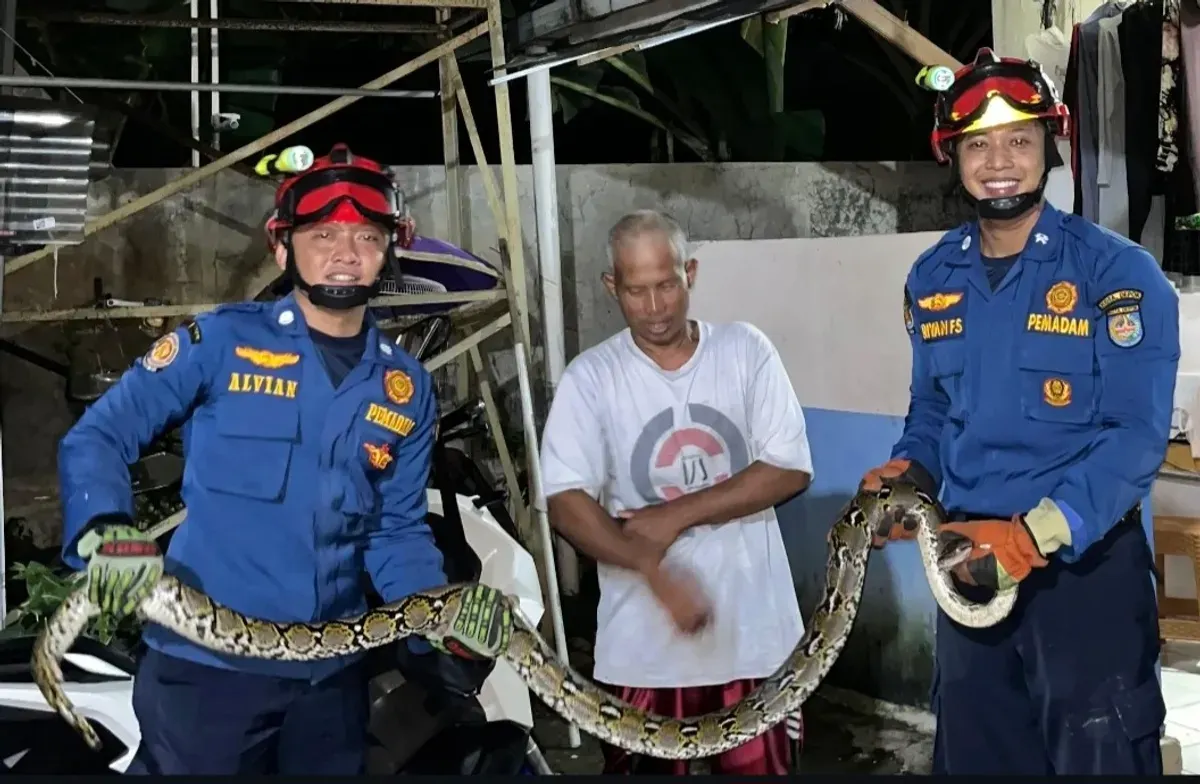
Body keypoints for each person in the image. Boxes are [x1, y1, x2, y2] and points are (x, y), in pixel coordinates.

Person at [56, 143, 512, 775]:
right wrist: (104, 528)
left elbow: (395, 530)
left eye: (367, 235)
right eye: (323, 233)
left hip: (329, 686)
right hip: (205, 675)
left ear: (390, 251)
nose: (346, 253)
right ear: (282, 247)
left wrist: (435, 622)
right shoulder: (219, 343)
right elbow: (99, 435)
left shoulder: (405, 387)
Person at [863, 49, 1178, 775]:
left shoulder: (1116, 275)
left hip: (1084, 578)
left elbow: (1134, 439)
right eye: (978, 143)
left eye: (1018, 140)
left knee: (1098, 757)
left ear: (1049, 147)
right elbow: (935, 411)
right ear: (953, 155)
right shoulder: (933, 277)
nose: (997, 160)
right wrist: (908, 473)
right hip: (969, 566)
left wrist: (1033, 536)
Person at [539, 209, 813, 775]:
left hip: (754, 641)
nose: (655, 306)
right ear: (612, 286)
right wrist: (652, 567)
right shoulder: (591, 378)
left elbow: (789, 468)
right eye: (636, 291)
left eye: (666, 284)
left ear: (690, 272)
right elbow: (566, 501)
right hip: (642, 653)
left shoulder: (745, 351)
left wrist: (674, 517)